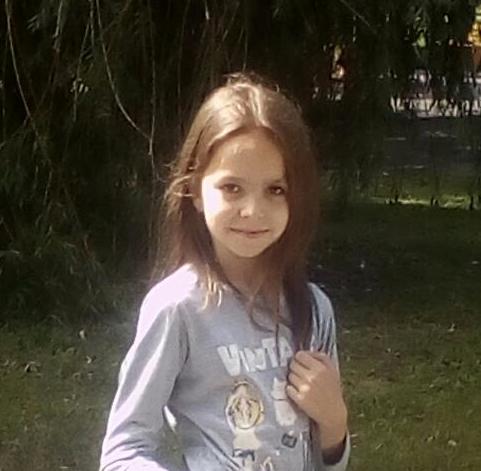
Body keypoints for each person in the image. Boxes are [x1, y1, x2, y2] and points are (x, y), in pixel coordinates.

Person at [99, 73, 350, 471]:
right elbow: (122, 452)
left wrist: (335, 421)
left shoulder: (315, 309)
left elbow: (327, 463)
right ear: (196, 190)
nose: (253, 211)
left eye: (275, 190)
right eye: (232, 188)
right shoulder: (178, 309)